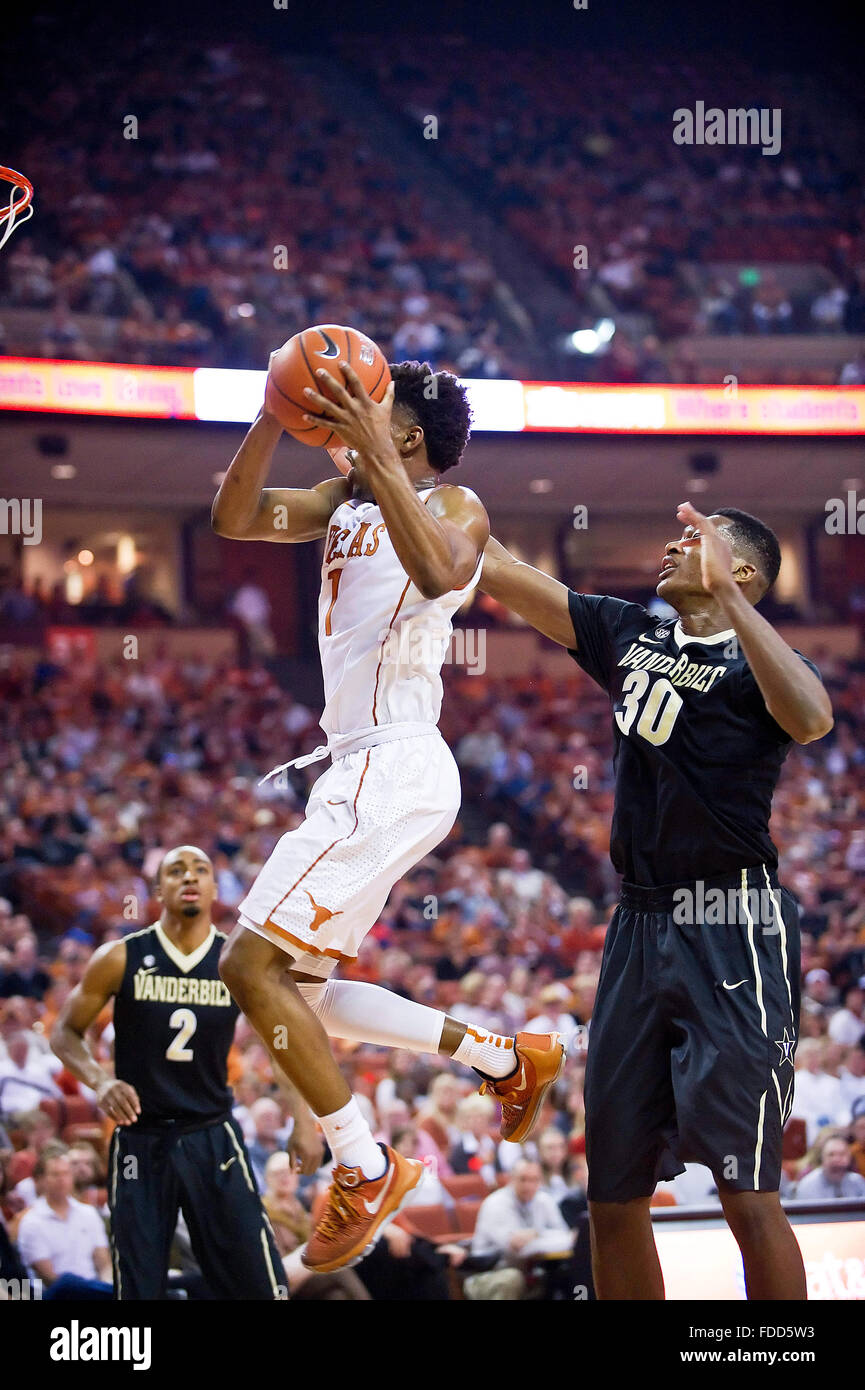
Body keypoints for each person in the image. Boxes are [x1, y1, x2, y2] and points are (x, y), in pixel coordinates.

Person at [214, 358, 564, 1274]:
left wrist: (368, 450)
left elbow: (444, 568)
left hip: (394, 759)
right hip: (366, 767)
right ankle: (500, 1053)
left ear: (405, 435)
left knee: (246, 964)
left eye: (376, 410)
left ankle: (364, 1163)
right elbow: (235, 517)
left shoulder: (456, 508)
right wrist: (268, 415)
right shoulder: (341, 501)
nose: (355, 413)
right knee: (308, 993)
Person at [480, 502, 834, 1300]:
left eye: (694, 542)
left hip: (733, 923)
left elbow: (811, 720)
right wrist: (398, 469)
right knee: (611, 1191)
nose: (673, 548)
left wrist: (736, 609)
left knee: (745, 1188)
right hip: (637, 922)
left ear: (740, 572)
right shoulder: (626, 633)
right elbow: (494, 564)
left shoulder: (758, 662)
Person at [51, 844, 298, 1299]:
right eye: (176, 871)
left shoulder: (235, 963)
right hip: (140, 1139)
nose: (189, 877)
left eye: (200, 870)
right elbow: (65, 1032)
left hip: (213, 1134)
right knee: (139, 1287)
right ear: (158, 891)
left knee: (261, 1281)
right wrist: (100, 1080)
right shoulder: (119, 957)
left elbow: (282, 1042)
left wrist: (302, 1118)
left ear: (212, 888)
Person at [16, 1150, 112, 1299]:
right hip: (55, 1293)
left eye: (66, 1173)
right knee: (68, 1282)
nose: (62, 1179)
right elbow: (48, 1277)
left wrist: (106, 1283)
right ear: (40, 1180)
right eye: (55, 1174)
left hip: (92, 1289)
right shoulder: (32, 1221)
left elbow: (103, 1261)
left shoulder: (88, 1213)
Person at [795, 1135, 865, 1201]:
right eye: (831, 1154)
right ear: (822, 1158)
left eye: (842, 1154)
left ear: (850, 1157)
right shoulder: (807, 1185)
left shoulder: (857, 1182)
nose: (837, 1159)